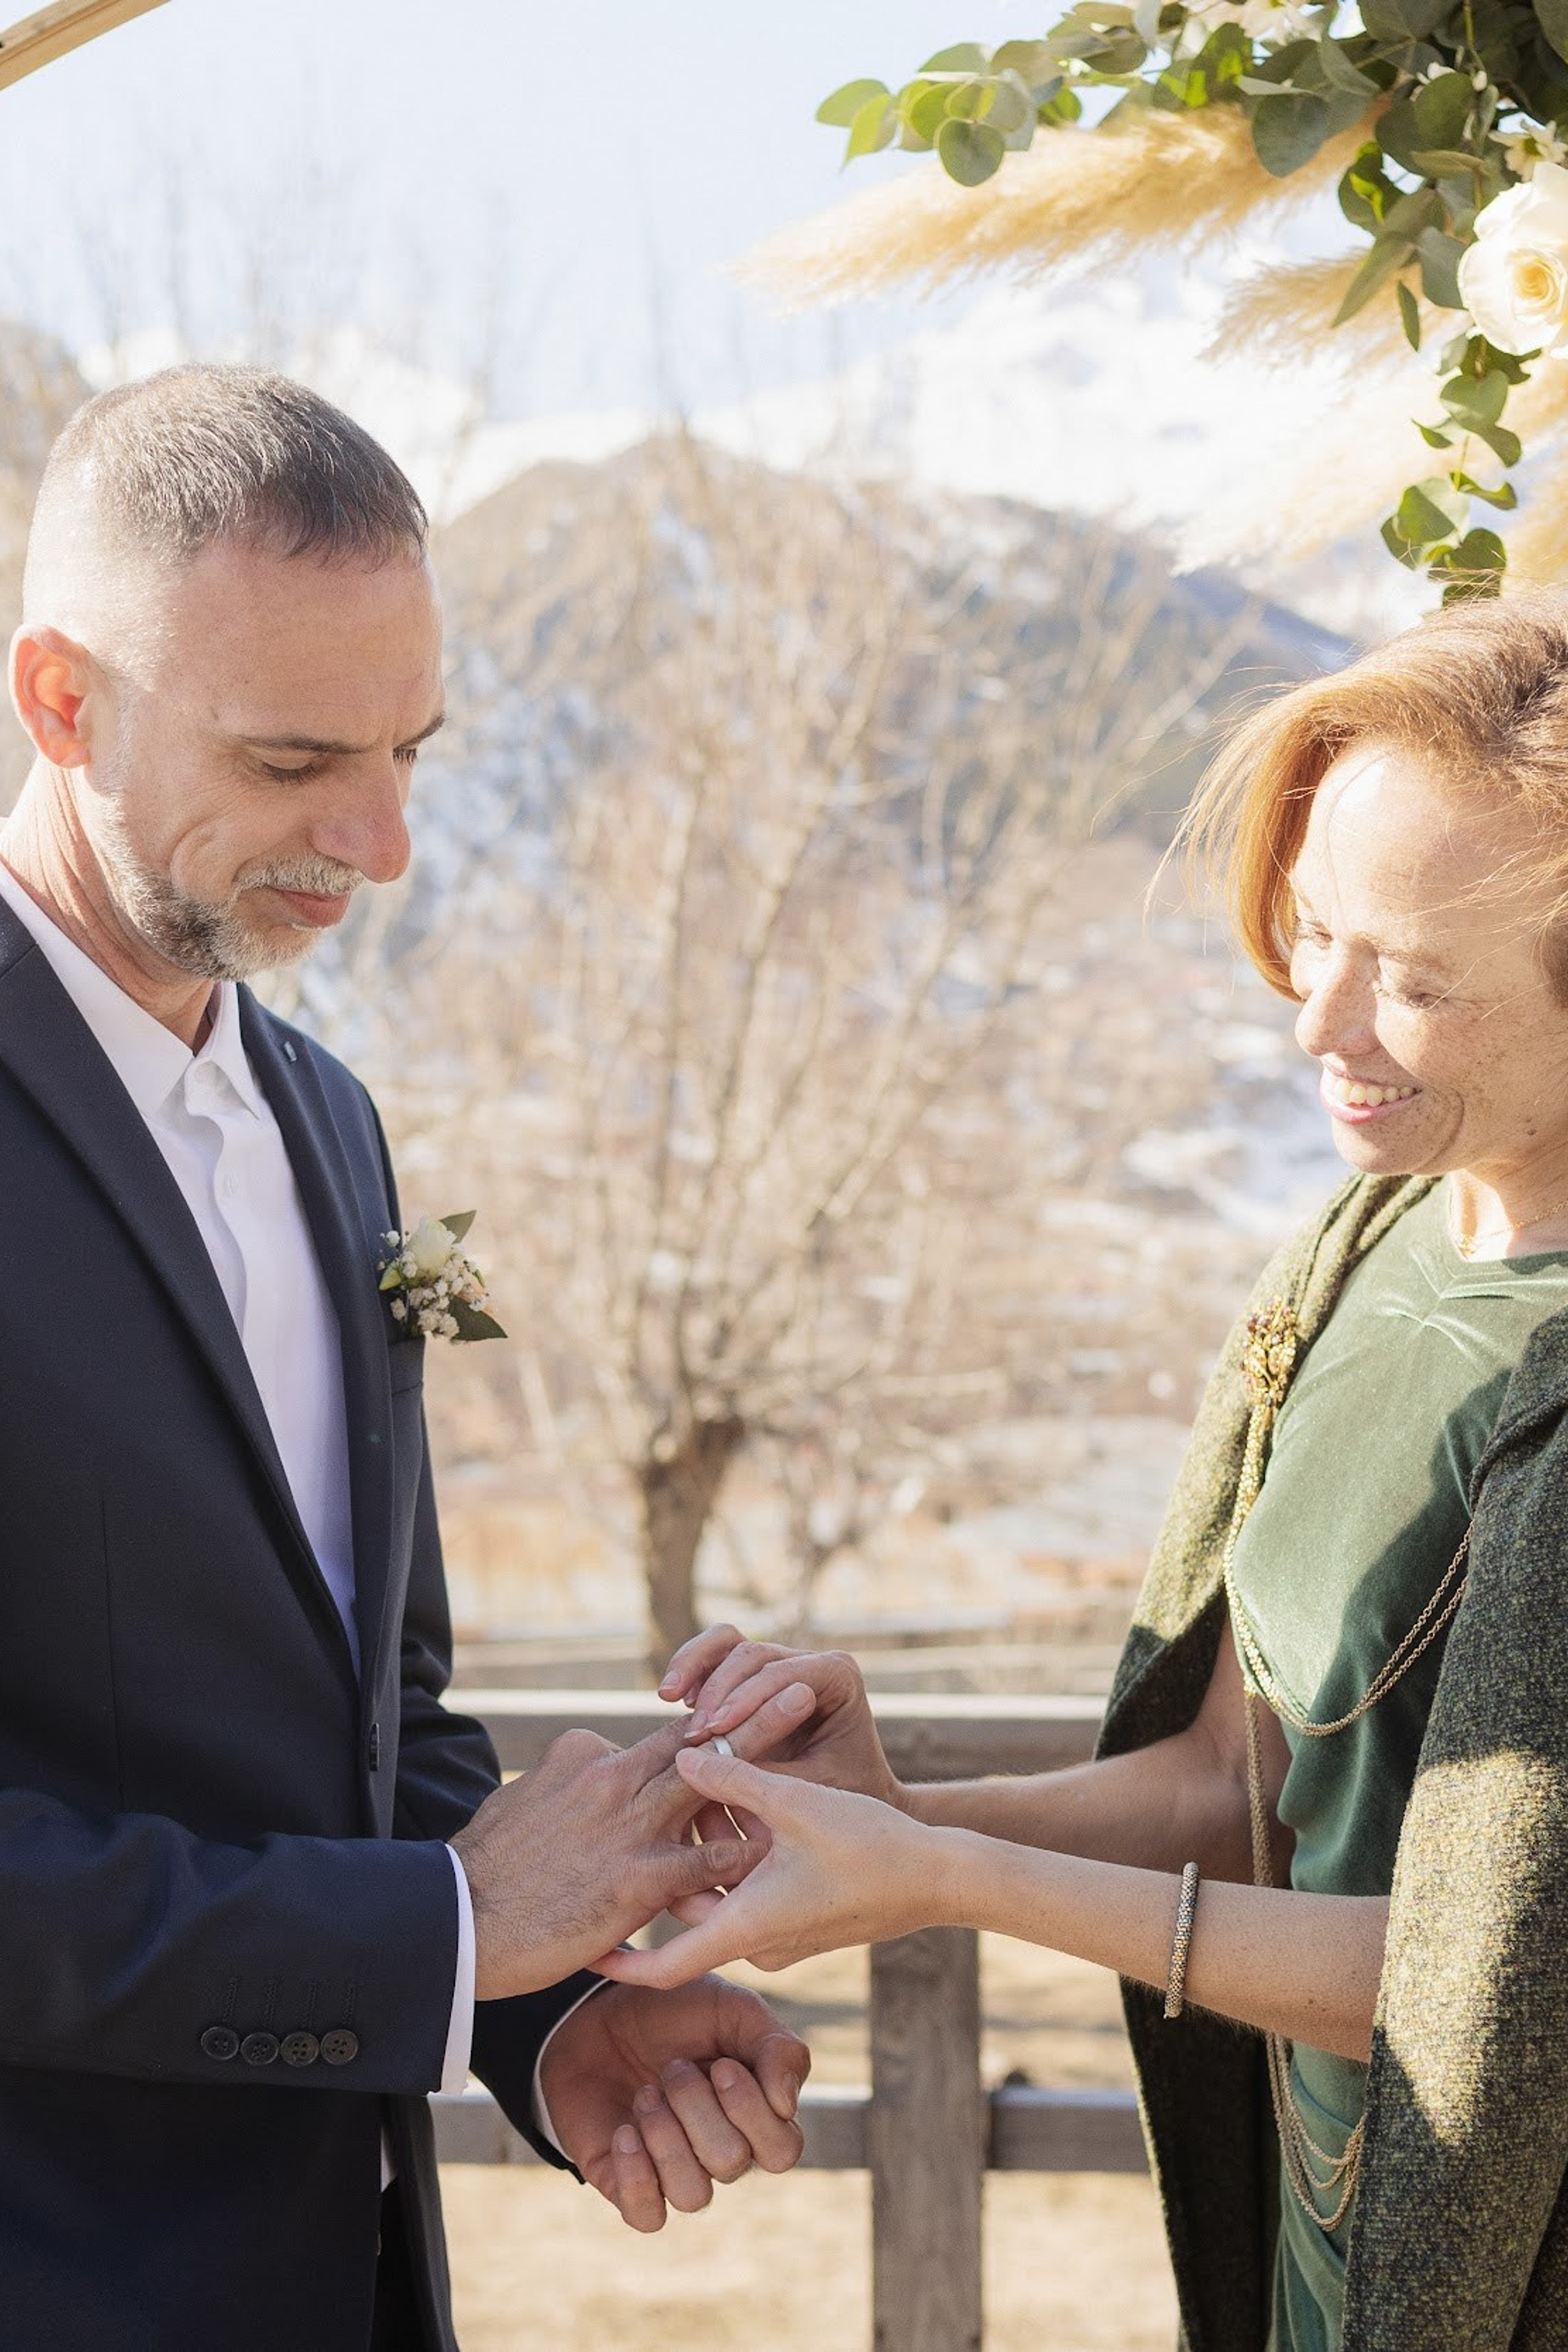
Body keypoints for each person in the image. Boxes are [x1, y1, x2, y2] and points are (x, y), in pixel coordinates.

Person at [600, 590, 1568, 2352]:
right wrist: (894, 1829)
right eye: (1315, 929)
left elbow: (1501, 1992)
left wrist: (960, 1882)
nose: (1318, 1021)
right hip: (1325, 2244)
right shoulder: (1367, 1249)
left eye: (1414, 979)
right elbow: (1233, 1790)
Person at [0, 364, 809, 2352]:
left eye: (413, 753)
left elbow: (380, 1712)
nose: (381, 846)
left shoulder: (333, 1122)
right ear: (61, 700)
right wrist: (442, 1935)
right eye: (293, 763)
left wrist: (535, 2018)